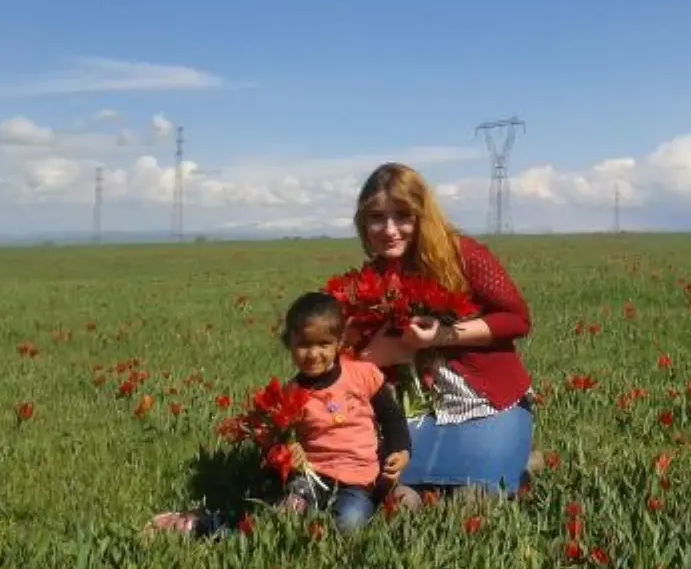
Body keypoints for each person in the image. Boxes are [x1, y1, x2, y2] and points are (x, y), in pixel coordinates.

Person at [147, 291, 411, 535]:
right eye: (304, 345)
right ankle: (206, 524)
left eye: (324, 344)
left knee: (349, 524)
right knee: (281, 521)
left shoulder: (361, 374)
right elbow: (275, 445)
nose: (313, 354)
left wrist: (400, 450)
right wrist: (286, 455)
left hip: (358, 483)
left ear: (339, 343)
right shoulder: (291, 393)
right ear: (290, 344)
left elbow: (392, 417)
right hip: (311, 479)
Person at [353, 162, 535, 500]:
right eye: (377, 218)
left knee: (472, 499)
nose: (389, 229)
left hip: (485, 399)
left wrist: (443, 336)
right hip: (420, 410)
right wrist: (370, 358)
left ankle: (517, 456)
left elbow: (516, 318)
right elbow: (351, 353)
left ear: (422, 215)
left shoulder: (463, 255)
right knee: (399, 497)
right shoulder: (370, 278)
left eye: (402, 216)